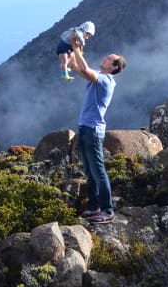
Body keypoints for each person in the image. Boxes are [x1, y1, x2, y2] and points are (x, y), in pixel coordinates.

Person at [68, 42, 126, 224]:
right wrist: (69, 56)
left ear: (114, 67)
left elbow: (84, 68)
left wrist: (75, 46)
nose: (105, 58)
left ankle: (107, 210)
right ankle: (94, 207)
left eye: (109, 58)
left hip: (93, 130)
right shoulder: (99, 77)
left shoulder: (106, 81)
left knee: (99, 171)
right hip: (85, 128)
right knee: (90, 171)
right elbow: (80, 69)